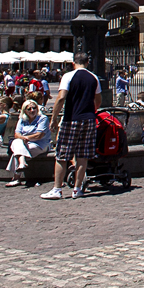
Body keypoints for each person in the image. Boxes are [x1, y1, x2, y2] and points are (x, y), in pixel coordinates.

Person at [42, 52, 101, 200]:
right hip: (89, 119)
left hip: (71, 118)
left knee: (62, 154)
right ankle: (77, 189)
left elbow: (61, 98)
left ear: (73, 63)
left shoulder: (68, 76)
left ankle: (57, 189)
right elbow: (98, 99)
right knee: (83, 155)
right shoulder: (94, 77)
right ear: (87, 63)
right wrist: (91, 110)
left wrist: (54, 118)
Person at [5, 99, 51, 187]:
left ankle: (16, 177)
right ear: (24, 110)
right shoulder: (22, 119)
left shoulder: (42, 118)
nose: (32, 110)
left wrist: (26, 138)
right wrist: (23, 138)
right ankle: (22, 163)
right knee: (17, 142)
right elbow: (16, 134)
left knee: (17, 152)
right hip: (24, 143)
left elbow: (39, 135)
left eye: (34, 108)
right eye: (29, 109)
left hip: (40, 144)